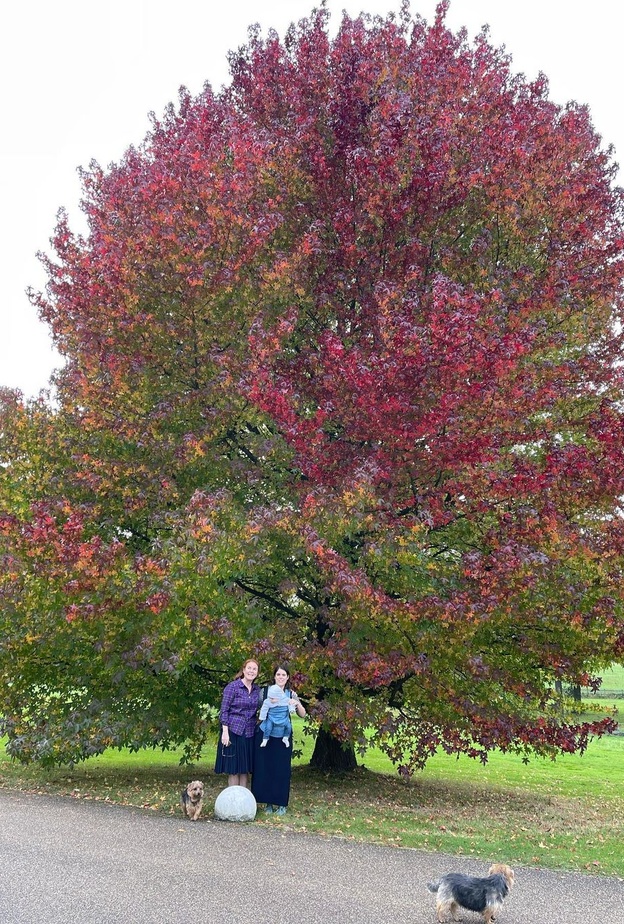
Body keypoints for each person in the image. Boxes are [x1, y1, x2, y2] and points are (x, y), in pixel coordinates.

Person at [251, 664, 306, 815]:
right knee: (266, 769)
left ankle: (281, 804)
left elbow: (302, 714)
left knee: (281, 771)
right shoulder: (265, 692)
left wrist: (296, 703)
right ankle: (268, 803)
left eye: (283, 675)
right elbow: (257, 710)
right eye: (278, 675)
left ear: (287, 677)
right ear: (274, 677)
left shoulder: (290, 694)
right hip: (266, 735)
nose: (281, 677)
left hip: (283, 737)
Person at [214, 658, 261, 788]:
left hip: (250, 733)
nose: (251, 671)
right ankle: (233, 802)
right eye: (249, 668)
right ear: (244, 669)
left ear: (257, 673)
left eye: (254, 669)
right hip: (233, 731)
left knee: (244, 769)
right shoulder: (233, 687)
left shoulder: (257, 690)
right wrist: (225, 732)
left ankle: (243, 804)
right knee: (234, 769)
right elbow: (224, 710)